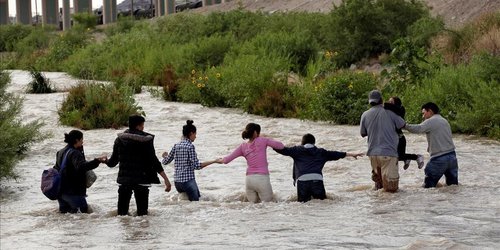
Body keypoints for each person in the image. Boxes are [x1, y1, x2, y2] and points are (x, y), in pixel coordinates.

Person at [106, 115, 172, 216]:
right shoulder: (146, 141)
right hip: (142, 180)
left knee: (122, 215)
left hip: (125, 181)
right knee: (143, 215)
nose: (143, 128)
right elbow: (154, 161)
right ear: (138, 126)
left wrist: (104, 161)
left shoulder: (119, 140)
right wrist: (166, 179)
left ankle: (123, 232)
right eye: (142, 125)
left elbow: (113, 162)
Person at [274, 133, 363, 202]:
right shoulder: (321, 152)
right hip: (317, 180)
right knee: (321, 202)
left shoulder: (296, 150)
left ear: (302, 142)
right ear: (314, 143)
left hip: (302, 180)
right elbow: (336, 154)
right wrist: (352, 154)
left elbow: (283, 150)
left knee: (303, 205)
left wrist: (269, 144)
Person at [216, 123, 284, 203]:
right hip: (262, 179)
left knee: (251, 208)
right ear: (256, 133)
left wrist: (216, 160)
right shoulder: (262, 140)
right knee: (268, 207)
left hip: (249, 180)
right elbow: (281, 146)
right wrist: (267, 138)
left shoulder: (242, 146)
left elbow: (226, 160)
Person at [162, 120, 219, 201]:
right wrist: (214, 161)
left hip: (177, 183)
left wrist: (164, 156)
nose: (196, 136)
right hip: (188, 182)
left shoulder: (176, 145)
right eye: (195, 134)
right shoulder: (190, 146)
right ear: (191, 133)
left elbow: (165, 161)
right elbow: (197, 166)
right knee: (196, 204)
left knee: (189, 204)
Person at [360, 90, 406, 192]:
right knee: (391, 190)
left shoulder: (365, 114)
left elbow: (363, 133)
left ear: (370, 102)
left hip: (373, 155)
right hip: (388, 154)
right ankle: (390, 209)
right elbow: (402, 124)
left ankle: (378, 208)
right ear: (381, 100)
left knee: (378, 187)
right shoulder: (390, 112)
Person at [404, 102, 458, 188]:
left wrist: (404, 125)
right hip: (452, 157)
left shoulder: (431, 121)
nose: (423, 116)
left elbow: (418, 129)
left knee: (427, 187)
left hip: (439, 159)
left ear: (430, 111)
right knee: (452, 186)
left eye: (423, 113)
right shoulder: (444, 121)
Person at [55, 130, 107, 213]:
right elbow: (81, 167)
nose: (83, 142)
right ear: (76, 140)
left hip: (61, 192)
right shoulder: (75, 153)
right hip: (73, 192)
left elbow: (56, 169)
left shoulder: (60, 152)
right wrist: (97, 161)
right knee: (83, 217)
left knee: (67, 219)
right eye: (81, 139)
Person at [384, 96, 424, 170]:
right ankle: (407, 159)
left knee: (397, 156)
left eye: (391, 102)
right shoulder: (392, 112)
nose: (389, 103)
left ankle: (417, 157)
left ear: (396, 104)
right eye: (388, 101)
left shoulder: (398, 112)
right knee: (395, 156)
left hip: (400, 139)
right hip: (397, 138)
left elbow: (387, 106)